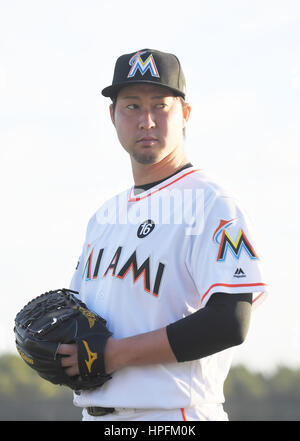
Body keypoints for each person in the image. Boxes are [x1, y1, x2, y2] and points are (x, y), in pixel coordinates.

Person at [57, 49, 267, 421]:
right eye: (132, 106)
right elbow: (82, 316)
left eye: (161, 106)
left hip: (172, 414)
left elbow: (229, 320)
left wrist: (113, 354)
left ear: (185, 114)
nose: (147, 121)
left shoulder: (212, 203)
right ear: (113, 116)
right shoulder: (103, 217)